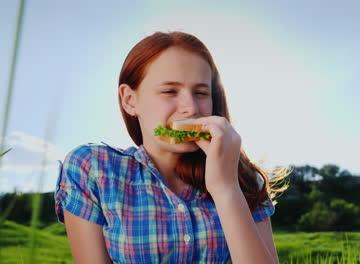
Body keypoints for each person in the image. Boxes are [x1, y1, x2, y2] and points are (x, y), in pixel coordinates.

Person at [54, 31, 289, 263]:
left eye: (201, 92)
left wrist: (226, 189)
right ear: (129, 100)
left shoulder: (243, 179)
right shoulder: (92, 168)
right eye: (169, 91)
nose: (190, 108)